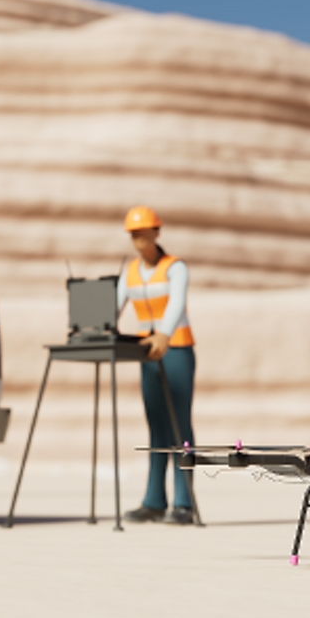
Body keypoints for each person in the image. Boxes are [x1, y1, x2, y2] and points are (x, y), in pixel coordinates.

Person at [117, 206, 197, 525]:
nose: (138, 237)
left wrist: (163, 334)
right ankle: (154, 500)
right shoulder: (131, 272)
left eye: (144, 230)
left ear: (156, 232)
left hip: (176, 349)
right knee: (156, 426)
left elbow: (176, 302)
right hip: (146, 355)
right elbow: (115, 303)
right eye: (134, 232)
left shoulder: (175, 267)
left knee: (180, 424)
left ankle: (184, 501)